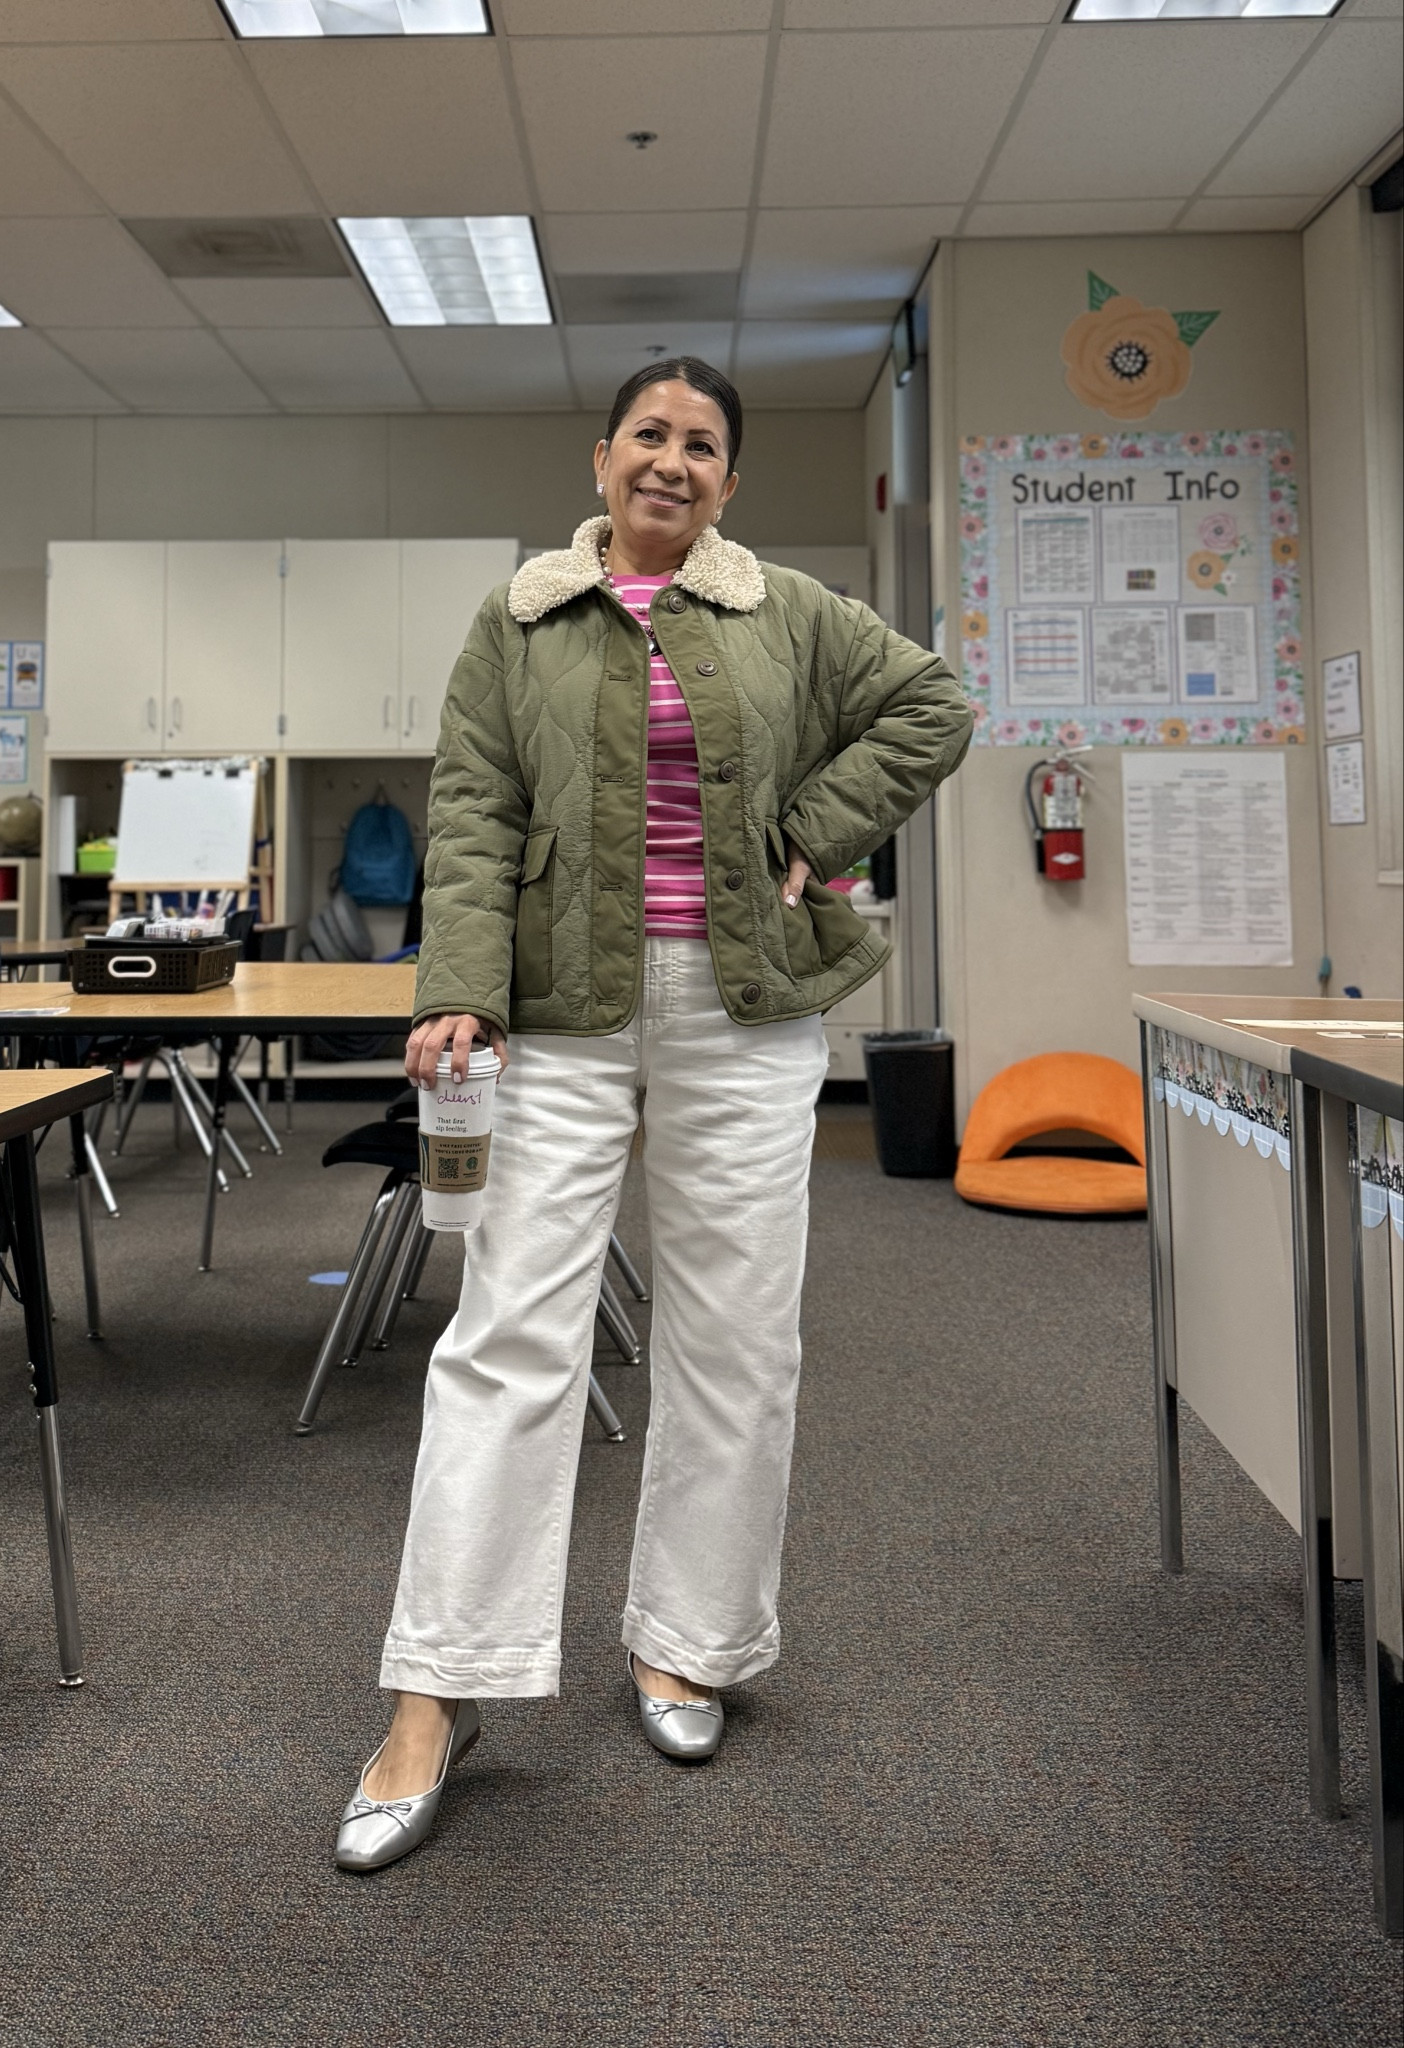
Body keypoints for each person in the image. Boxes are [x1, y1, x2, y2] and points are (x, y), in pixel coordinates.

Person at [335, 357, 972, 1872]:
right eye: (649, 435)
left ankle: (687, 1642)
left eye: (701, 444)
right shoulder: (522, 617)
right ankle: (436, 1692)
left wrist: (814, 830)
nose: (671, 461)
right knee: (509, 1337)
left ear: (729, 481)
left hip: (745, 1009)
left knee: (737, 1333)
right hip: (557, 1010)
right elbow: (474, 808)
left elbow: (933, 704)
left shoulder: (787, 612)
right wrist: (457, 987)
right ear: (604, 456)